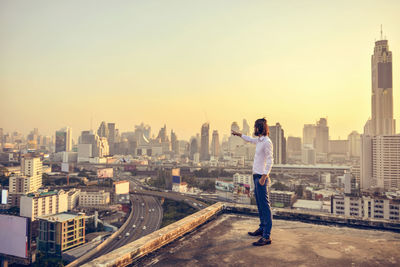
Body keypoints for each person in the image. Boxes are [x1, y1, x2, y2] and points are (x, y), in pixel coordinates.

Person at [231, 118, 274, 246]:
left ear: (260, 128)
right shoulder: (260, 140)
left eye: (256, 127)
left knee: (265, 207)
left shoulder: (267, 142)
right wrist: (238, 134)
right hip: (256, 176)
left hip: (261, 177)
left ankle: (266, 236)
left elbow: (271, 160)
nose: (254, 129)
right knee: (260, 205)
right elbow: (249, 139)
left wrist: (264, 177)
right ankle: (262, 229)